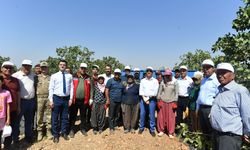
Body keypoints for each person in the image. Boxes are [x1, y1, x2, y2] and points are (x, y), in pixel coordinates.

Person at [210, 63, 250, 150]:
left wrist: (247, 133)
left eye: (223, 73)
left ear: (233, 75)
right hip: (217, 135)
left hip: (229, 138)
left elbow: (247, 114)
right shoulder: (220, 90)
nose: (220, 76)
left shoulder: (240, 91)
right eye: (218, 73)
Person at [48, 60, 73, 143]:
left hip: (66, 99)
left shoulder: (69, 76)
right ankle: (55, 135)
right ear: (58, 65)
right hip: (56, 98)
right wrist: (51, 100)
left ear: (66, 66)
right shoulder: (54, 76)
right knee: (55, 117)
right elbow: (51, 88)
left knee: (65, 117)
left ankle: (64, 132)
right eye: (61, 64)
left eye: (64, 65)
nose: (62, 66)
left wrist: (71, 99)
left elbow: (71, 88)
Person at [12, 59, 36, 143]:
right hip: (21, 102)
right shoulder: (16, 75)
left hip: (31, 101)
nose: (27, 67)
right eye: (25, 65)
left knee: (29, 121)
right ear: (22, 66)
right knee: (17, 121)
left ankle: (28, 136)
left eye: (29, 66)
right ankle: (15, 138)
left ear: (31, 67)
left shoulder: (33, 75)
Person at [196, 59, 219, 138]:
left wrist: (214, 111)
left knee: (211, 131)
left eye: (208, 68)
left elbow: (218, 98)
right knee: (204, 131)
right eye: (204, 68)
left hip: (210, 109)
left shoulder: (217, 80)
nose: (205, 70)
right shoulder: (203, 80)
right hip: (202, 109)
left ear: (213, 68)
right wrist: (197, 108)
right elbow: (200, 95)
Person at [69, 63, 93, 138]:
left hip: (84, 100)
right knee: (73, 115)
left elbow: (92, 89)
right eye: (82, 68)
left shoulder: (88, 77)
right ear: (79, 68)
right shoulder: (74, 76)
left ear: (86, 69)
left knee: (83, 116)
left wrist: (91, 98)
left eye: (84, 68)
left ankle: (83, 128)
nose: (83, 69)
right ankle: (72, 129)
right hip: (74, 100)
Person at [1, 61, 20, 148]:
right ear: (1, 69)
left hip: (12, 109)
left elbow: (18, 93)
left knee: (10, 128)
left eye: (10, 68)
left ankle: (7, 146)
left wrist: (18, 106)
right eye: (6, 67)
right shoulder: (0, 80)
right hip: (1, 111)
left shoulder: (15, 80)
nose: (8, 69)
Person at [156, 68, 179, 138]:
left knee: (171, 118)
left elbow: (176, 93)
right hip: (162, 101)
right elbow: (159, 92)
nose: (167, 76)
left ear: (171, 75)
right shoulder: (162, 82)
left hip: (171, 102)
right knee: (161, 117)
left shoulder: (175, 82)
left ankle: (170, 132)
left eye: (168, 75)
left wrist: (175, 102)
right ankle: (161, 130)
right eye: (166, 75)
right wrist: (158, 101)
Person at [139, 66, 159, 137]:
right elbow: (141, 91)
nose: (149, 72)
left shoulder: (155, 81)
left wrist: (148, 99)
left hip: (152, 100)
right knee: (142, 114)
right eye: (147, 71)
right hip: (143, 99)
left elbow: (155, 92)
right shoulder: (142, 80)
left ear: (152, 72)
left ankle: (152, 129)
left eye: (150, 71)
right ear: (146, 72)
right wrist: (145, 99)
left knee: (152, 115)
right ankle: (141, 127)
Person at [35, 61, 52, 141]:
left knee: (49, 115)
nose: (44, 69)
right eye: (42, 67)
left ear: (48, 68)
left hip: (48, 97)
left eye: (45, 67)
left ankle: (48, 131)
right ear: (40, 68)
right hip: (39, 98)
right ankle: (40, 132)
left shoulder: (51, 77)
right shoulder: (37, 77)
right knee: (39, 115)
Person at [105, 68, 123, 134]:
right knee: (111, 114)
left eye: (118, 74)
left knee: (116, 114)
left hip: (119, 100)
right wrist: (107, 99)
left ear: (120, 74)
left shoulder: (121, 81)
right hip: (112, 100)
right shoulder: (110, 81)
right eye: (116, 73)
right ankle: (111, 127)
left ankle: (115, 125)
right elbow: (106, 90)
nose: (117, 75)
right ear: (114, 74)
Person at [0, 75, 12, 149]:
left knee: (4, 133)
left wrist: (8, 118)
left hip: (3, 117)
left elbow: (8, 106)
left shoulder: (6, 93)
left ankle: (6, 146)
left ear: (2, 82)